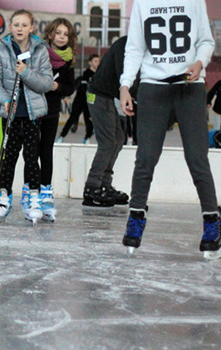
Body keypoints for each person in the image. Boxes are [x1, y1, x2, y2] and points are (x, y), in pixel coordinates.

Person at [119, 0, 220, 259]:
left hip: (190, 88)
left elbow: (206, 41)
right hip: (153, 88)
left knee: (197, 158)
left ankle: (212, 223)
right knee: (146, 158)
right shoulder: (143, 3)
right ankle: (136, 217)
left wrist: (199, 63)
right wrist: (125, 85)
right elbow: (135, 47)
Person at [0, 9, 52, 223]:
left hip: (32, 114)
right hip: (10, 115)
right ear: (10, 26)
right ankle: (3, 196)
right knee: (9, 157)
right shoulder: (1, 50)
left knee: (32, 157)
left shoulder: (40, 50)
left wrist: (25, 72)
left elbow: (46, 83)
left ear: (31, 28)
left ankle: (34, 197)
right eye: (16, 25)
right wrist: (5, 100)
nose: (20, 29)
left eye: (24, 25)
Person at [34, 17, 76, 222]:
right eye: (58, 33)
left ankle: (45, 191)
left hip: (51, 111)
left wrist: (57, 88)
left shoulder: (68, 60)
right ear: (50, 34)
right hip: (33, 109)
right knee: (31, 150)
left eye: (65, 34)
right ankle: (31, 191)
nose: (61, 37)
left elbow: (70, 86)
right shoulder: (38, 51)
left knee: (46, 151)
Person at [83, 36, 133, 208]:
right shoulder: (125, 44)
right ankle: (92, 187)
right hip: (97, 94)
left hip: (107, 96)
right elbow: (123, 74)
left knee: (119, 138)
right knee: (108, 141)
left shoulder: (136, 46)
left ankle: (105, 184)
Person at [58, 54, 100, 143]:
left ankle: (87, 138)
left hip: (90, 101)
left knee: (90, 120)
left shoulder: (99, 76)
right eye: (95, 61)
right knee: (72, 118)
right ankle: (61, 136)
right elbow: (80, 87)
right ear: (90, 63)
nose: (97, 63)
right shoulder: (85, 75)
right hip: (80, 100)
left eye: (98, 61)